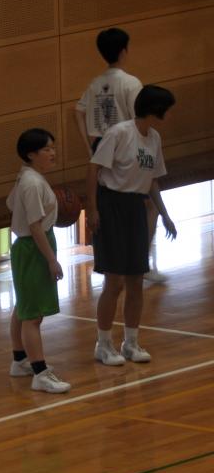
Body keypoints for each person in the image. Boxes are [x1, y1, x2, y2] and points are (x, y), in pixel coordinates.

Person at [86, 85, 177, 366]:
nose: (170, 115)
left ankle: (131, 342)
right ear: (156, 110)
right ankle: (103, 345)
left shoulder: (155, 138)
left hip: (136, 207)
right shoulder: (119, 133)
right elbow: (93, 169)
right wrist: (92, 209)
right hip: (111, 205)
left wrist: (164, 214)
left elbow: (152, 180)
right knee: (114, 281)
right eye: (168, 110)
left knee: (136, 279)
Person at [75, 27, 166, 282]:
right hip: (124, 148)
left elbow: (78, 111)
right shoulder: (130, 83)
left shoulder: (95, 83)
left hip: (101, 148)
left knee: (112, 205)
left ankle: (121, 263)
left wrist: (88, 146)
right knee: (147, 204)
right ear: (124, 51)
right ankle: (140, 261)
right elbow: (140, 117)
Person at [6, 128, 71, 394]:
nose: (53, 153)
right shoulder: (32, 183)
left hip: (30, 246)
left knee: (24, 307)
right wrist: (52, 260)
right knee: (33, 316)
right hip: (33, 247)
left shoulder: (26, 176)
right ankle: (40, 373)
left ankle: (19, 360)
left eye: (53, 147)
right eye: (47, 149)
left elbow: (10, 204)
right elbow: (34, 226)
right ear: (31, 154)